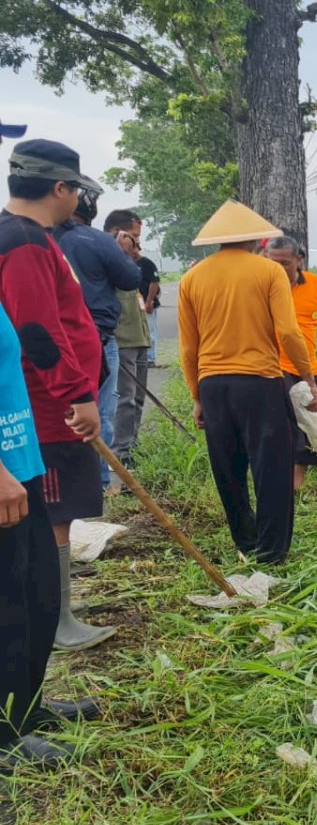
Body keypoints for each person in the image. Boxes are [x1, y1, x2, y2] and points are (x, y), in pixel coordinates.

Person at [1, 140, 110, 762]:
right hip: (39, 423)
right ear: (64, 190)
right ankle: (8, 727)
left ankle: (29, 700)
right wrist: (78, 394)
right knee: (20, 585)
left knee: (37, 579)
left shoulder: (31, 239)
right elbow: (37, 329)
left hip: (39, 421)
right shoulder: (19, 242)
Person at [178, 200, 317, 565]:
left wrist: (197, 396)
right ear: (258, 238)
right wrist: (307, 377)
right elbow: (288, 332)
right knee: (271, 466)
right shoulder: (269, 272)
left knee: (228, 468)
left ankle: (245, 542)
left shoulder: (192, 278)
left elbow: (188, 348)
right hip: (259, 381)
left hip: (213, 385)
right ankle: (272, 551)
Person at [0, 302, 102, 771]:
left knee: (36, 598)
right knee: (7, 608)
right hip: (4, 474)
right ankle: (4, 735)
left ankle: (24, 707)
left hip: (24, 463)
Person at [53, 183, 140, 491]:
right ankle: (98, 482)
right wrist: (124, 253)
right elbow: (130, 279)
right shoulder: (96, 240)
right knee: (99, 410)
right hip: (96, 338)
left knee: (55, 414)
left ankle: (63, 485)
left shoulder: (40, 238)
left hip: (49, 339)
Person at [265, 235, 317, 490]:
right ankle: (277, 475)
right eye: (273, 263)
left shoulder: (315, 284)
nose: (279, 269)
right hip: (271, 366)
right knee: (278, 424)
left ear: (299, 260)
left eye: (285, 263)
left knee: (312, 422)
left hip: (306, 367)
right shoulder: (262, 285)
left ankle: (298, 477)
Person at [105, 228, 152, 469]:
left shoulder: (132, 270)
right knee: (126, 399)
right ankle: (120, 451)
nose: (135, 247)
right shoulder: (110, 267)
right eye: (130, 240)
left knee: (138, 398)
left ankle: (132, 444)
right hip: (123, 341)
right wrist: (119, 252)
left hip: (140, 339)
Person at [102, 210, 160, 367]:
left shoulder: (142, 262)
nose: (136, 242)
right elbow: (130, 280)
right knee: (125, 391)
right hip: (122, 340)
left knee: (137, 389)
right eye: (133, 235)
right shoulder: (104, 257)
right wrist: (122, 254)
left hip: (138, 337)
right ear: (116, 232)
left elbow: (151, 282)